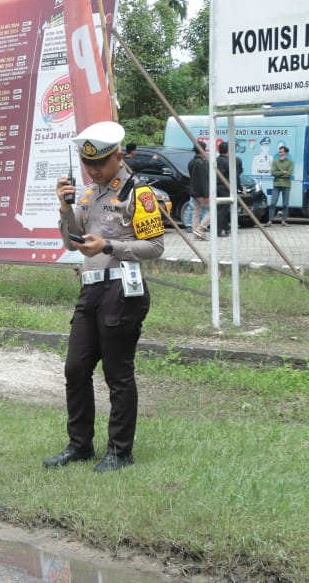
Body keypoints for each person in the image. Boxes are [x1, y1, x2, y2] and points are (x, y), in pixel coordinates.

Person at [47, 121, 164, 472]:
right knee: (75, 368)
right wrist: (65, 210)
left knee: (118, 374)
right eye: (87, 165)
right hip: (91, 288)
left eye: (99, 164)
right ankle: (79, 445)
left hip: (122, 290)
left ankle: (119, 452)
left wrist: (111, 245)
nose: (93, 171)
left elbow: (155, 246)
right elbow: (72, 243)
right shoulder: (86, 195)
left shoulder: (136, 193)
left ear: (117, 156)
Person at [216, 141, 243, 237]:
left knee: (220, 209)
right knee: (224, 210)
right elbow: (235, 176)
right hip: (226, 187)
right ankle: (218, 230)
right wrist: (240, 188)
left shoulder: (216, 160)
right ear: (228, 151)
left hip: (216, 187)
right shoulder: (229, 162)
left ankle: (226, 228)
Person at [187, 142, 211, 240]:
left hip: (193, 191)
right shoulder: (202, 163)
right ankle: (200, 229)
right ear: (203, 150)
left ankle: (195, 234)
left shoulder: (191, 162)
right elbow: (203, 180)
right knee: (213, 210)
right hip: (201, 192)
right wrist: (206, 195)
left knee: (196, 212)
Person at [268, 144, 295, 226]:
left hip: (286, 185)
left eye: (281, 152)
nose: (280, 153)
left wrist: (279, 173)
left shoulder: (290, 162)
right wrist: (283, 172)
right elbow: (272, 173)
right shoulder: (275, 161)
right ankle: (270, 221)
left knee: (285, 204)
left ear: (285, 152)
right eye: (279, 152)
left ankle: (283, 221)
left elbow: (289, 174)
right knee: (273, 203)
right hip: (276, 184)